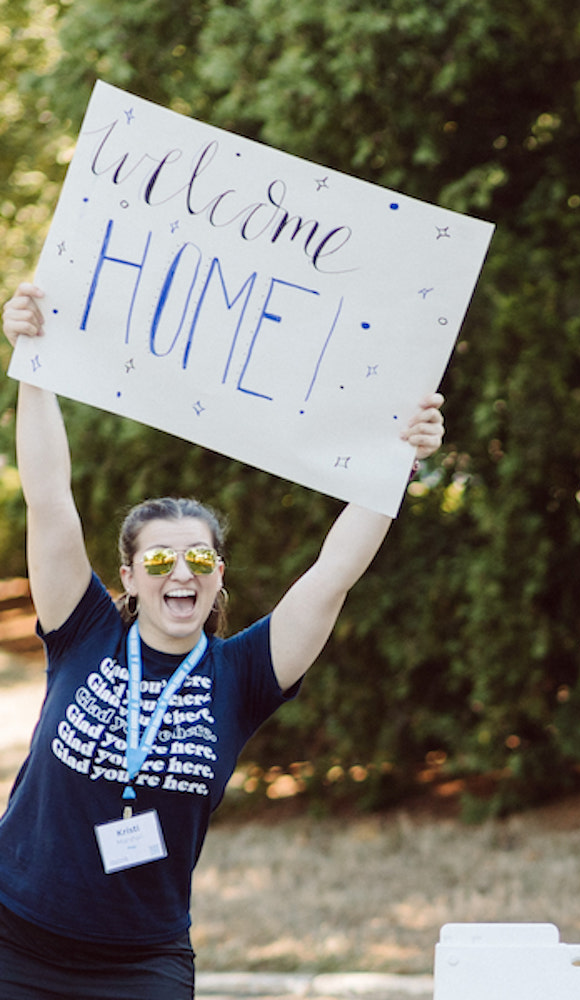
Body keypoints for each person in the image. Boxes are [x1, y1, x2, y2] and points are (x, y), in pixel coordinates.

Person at [0, 282, 446, 999]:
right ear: (131, 575)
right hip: (11, 936)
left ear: (218, 576)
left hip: (140, 962)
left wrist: (394, 465)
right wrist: (33, 360)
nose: (182, 572)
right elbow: (50, 497)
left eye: (200, 559)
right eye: (160, 559)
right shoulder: (82, 631)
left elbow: (332, 575)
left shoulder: (241, 676)